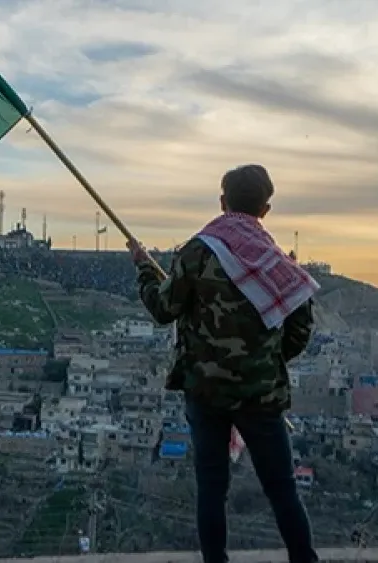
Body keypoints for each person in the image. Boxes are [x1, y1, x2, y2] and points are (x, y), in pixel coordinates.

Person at [127, 164, 320, 563]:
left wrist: (145, 269)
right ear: (265, 209)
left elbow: (164, 309)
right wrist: (265, 361)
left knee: (212, 486)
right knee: (281, 487)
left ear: (222, 201)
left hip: (206, 390)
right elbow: (301, 325)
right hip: (261, 395)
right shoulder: (276, 261)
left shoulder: (198, 251)